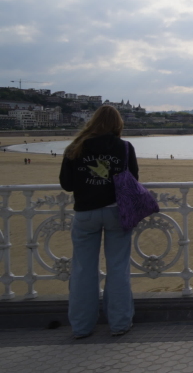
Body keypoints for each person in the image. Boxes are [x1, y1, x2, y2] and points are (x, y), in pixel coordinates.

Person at [59, 105, 137, 339]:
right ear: (118, 124)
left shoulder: (76, 147)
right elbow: (133, 180)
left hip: (85, 214)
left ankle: (82, 327)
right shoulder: (123, 147)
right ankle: (120, 324)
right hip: (115, 213)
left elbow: (67, 184)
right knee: (117, 268)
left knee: (83, 270)